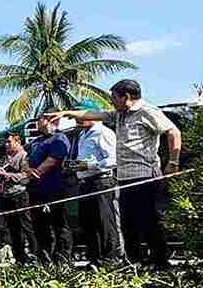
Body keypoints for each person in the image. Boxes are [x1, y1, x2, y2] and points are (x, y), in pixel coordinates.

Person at [49, 79, 181, 269]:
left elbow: (173, 132)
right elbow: (93, 114)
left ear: (126, 97)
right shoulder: (119, 115)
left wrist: (173, 162)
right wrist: (66, 113)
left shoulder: (148, 112)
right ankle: (133, 262)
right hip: (125, 178)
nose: (111, 103)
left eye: (114, 98)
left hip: (145, 176)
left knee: (150, 221)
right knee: (128, 224)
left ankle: (160, 262)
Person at [73, 115, 123, 266]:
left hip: (102, 180)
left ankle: (110, 258)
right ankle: (95, 258)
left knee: (104, 220)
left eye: (80, 116)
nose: (77, 120)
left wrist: (88, 166)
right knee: (88, 221)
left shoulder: (103, 132)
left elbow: (113, 159)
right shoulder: (82, 134)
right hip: (85, 182)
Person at [25, 115, 74, 265]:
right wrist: (27, 170)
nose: (38, 123)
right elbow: (25, 161)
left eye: (40, 119)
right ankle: (44, 259)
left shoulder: (59, 138)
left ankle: (63, 259)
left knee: (60, 225)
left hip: (55, 188)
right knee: (40, 226)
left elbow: (53, 159)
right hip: (36, 190)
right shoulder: (35, 142)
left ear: (51, 120)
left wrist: (37, 172)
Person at [0, 133, 35, 265]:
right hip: (6, 195)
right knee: (12, 228)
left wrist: (8, 174)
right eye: (5, 142)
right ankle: (19, 258)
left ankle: (34, 254)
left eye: (9, 142)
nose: (6, 145)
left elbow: (26, 175)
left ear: (18, 142)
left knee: (26, 226)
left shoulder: (24, 155)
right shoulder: (5, 158)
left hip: (20, 194)